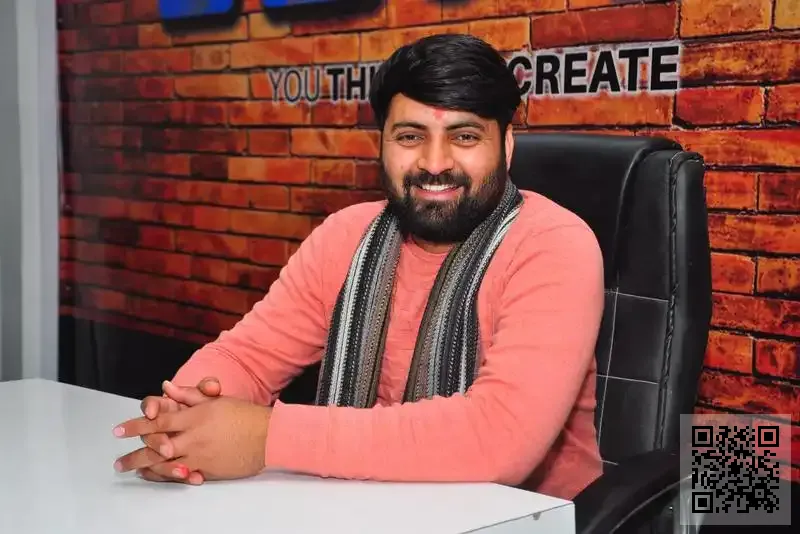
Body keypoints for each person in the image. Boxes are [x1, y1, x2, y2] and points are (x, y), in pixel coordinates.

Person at [111, 33, 606, 501]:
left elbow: (499, 438)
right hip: (356, 506)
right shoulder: (346, 235)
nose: (435, 162)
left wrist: (268, 437)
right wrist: (182, 421)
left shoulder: (553, 245)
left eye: (464, 136)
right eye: (410, 136)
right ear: (382, 144)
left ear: (507, 146)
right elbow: (247, 358)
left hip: (527, 517)